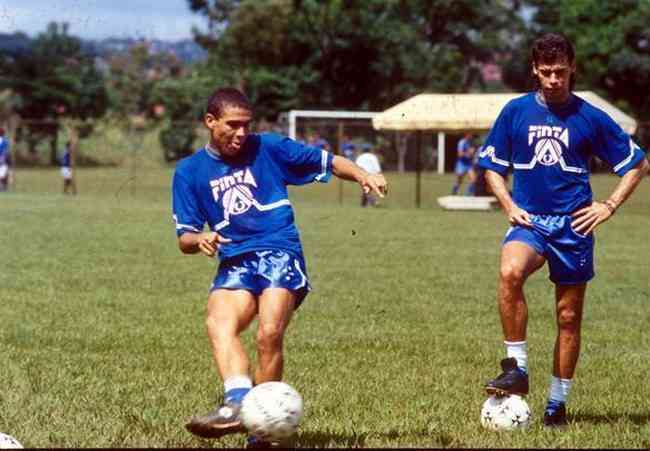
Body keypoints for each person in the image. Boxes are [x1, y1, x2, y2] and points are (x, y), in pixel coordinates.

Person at [172, 88, 388, 446]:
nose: (242, 133)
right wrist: (201, 240)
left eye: (246, 125)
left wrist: (363, 174)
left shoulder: (268, 148)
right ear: (210, 122)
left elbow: (329, 161)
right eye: (233, 125)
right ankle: (239, 405)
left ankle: (261, 435)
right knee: (219, 322)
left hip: (279, 252)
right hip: (235, 258)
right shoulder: (189, 172)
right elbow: (184, 238)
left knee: (268, 333)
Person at [478, 32, 648, 427]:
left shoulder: (589, 116)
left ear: (572, 68)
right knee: (510, 272)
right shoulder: (516, 111)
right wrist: (509, 204)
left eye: (560, 72)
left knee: (569, 316)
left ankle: (557, 406)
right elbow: (491, 167)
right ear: (535, 72)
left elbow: (637, 164)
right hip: (532, 220)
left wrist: (608, 205)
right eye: (546, 72)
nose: (554, 79)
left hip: (574, 226)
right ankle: (516, 368)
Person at [0, 128, 13, 192]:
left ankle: (3, 187)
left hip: (3, 160)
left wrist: (2, 158)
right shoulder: (5, 141)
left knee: (3, 174)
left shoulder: (5, 141)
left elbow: (5, 151)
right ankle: (3, 186)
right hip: (3, 159)